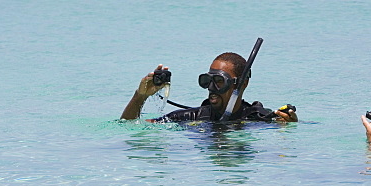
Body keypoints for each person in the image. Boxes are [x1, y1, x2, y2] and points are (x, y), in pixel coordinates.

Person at [121, 52, 298, 123]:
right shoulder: (192, 117)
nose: (211, 88)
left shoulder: (260, 118)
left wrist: (289, 124)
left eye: (219, 81)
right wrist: (140, 96)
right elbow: (128, 126)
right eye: (207, 80)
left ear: (241, 83)